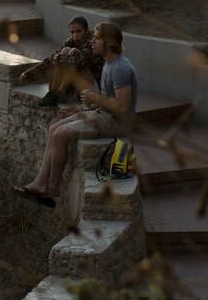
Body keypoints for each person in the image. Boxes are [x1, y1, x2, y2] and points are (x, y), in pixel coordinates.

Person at [14, 22, 137, 208]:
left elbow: (123, 106)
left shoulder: (120, 68)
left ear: (109, 43)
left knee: (60, 134)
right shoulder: (109, 63)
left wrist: (96, 98)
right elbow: (106, 99)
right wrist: (79, 108)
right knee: (54, 128)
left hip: (116, 123)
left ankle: (52, 188)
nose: (92, 41)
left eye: (97, 38)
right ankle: (40, 183)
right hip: (102, 114)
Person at [17, 16, 104, 107]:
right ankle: (53, 92)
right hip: (75, 87)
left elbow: (78, 62)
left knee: (72, 52)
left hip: (92, 90)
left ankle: (60, 92)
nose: (75, 35)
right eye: (72, 32)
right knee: (65, 51)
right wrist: (29, 73)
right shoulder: (71, 41)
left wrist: (64, 58)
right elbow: (52, 59)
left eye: (79, 31)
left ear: (87, 30)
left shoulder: (93, 43)